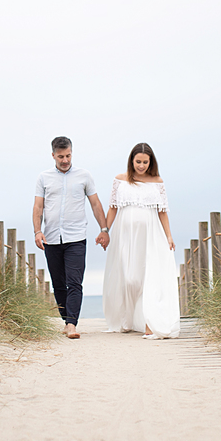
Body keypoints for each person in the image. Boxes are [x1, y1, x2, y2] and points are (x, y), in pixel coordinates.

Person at [33, 136, 110, 339]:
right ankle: (66, 319)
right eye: (60, 157)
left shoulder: (84, 176)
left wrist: (104, 229)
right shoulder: (43, 177)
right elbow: (38, 206)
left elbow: (95, 203)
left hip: (76, 237)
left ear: (71, 153)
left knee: (74, 282)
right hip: (51, 238)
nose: (65, 160)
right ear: (53, 155)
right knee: (58, 283)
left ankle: (72, 324)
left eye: (68, 155)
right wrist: (37, 231)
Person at [101, 143, 180, 339]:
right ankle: (126, 319)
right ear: (131, 160)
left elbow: (162, 212)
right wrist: (105, 230)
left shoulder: (157, 181)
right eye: (138, 161)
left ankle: (149, 323)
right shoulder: (120, 180)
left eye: (145, 162)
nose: (142, 166)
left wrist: (169, 235)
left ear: (151, 162)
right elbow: (112, 208)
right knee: (129, 277)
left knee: (148, 275)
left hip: (150, 234)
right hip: (124, 235)